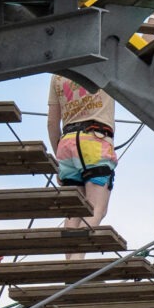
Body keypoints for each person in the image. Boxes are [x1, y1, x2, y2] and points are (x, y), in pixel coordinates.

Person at [49, 75, 118, 227]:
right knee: (96, 210)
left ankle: (71, 251)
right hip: (95, 142)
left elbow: (52, 123)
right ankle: (79, 252)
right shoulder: (105, 64)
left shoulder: (58, 75)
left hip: (66, 144)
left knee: (73, 214)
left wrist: (59, 161)